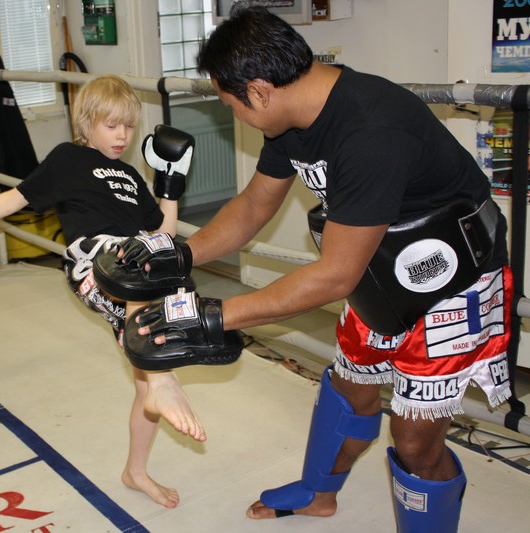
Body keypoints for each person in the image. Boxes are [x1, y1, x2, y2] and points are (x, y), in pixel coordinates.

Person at [100, 3, 513, 530]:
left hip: (452, 282)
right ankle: (319, 493)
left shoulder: (371, 131)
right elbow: (255, 205)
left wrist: (209, 316)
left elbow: (335, 276)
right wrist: (180, 253)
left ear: (258, 91)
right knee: (349, 390)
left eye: (231, 103)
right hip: (379, 269)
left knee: (414, 443)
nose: (235, 116)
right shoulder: (292, 118)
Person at [0, 74, 203, 509]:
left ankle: (136, 469)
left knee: (150, 356)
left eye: (128, 126)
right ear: (86, 123)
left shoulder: (131, 177)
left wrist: (170, 185)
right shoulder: (69, 158)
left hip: (134, 273)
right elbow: (18, 197)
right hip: (94, 262)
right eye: (111, 125)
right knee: (137, 269)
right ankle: (162, 377)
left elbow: (164, 235)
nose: (122, 135)